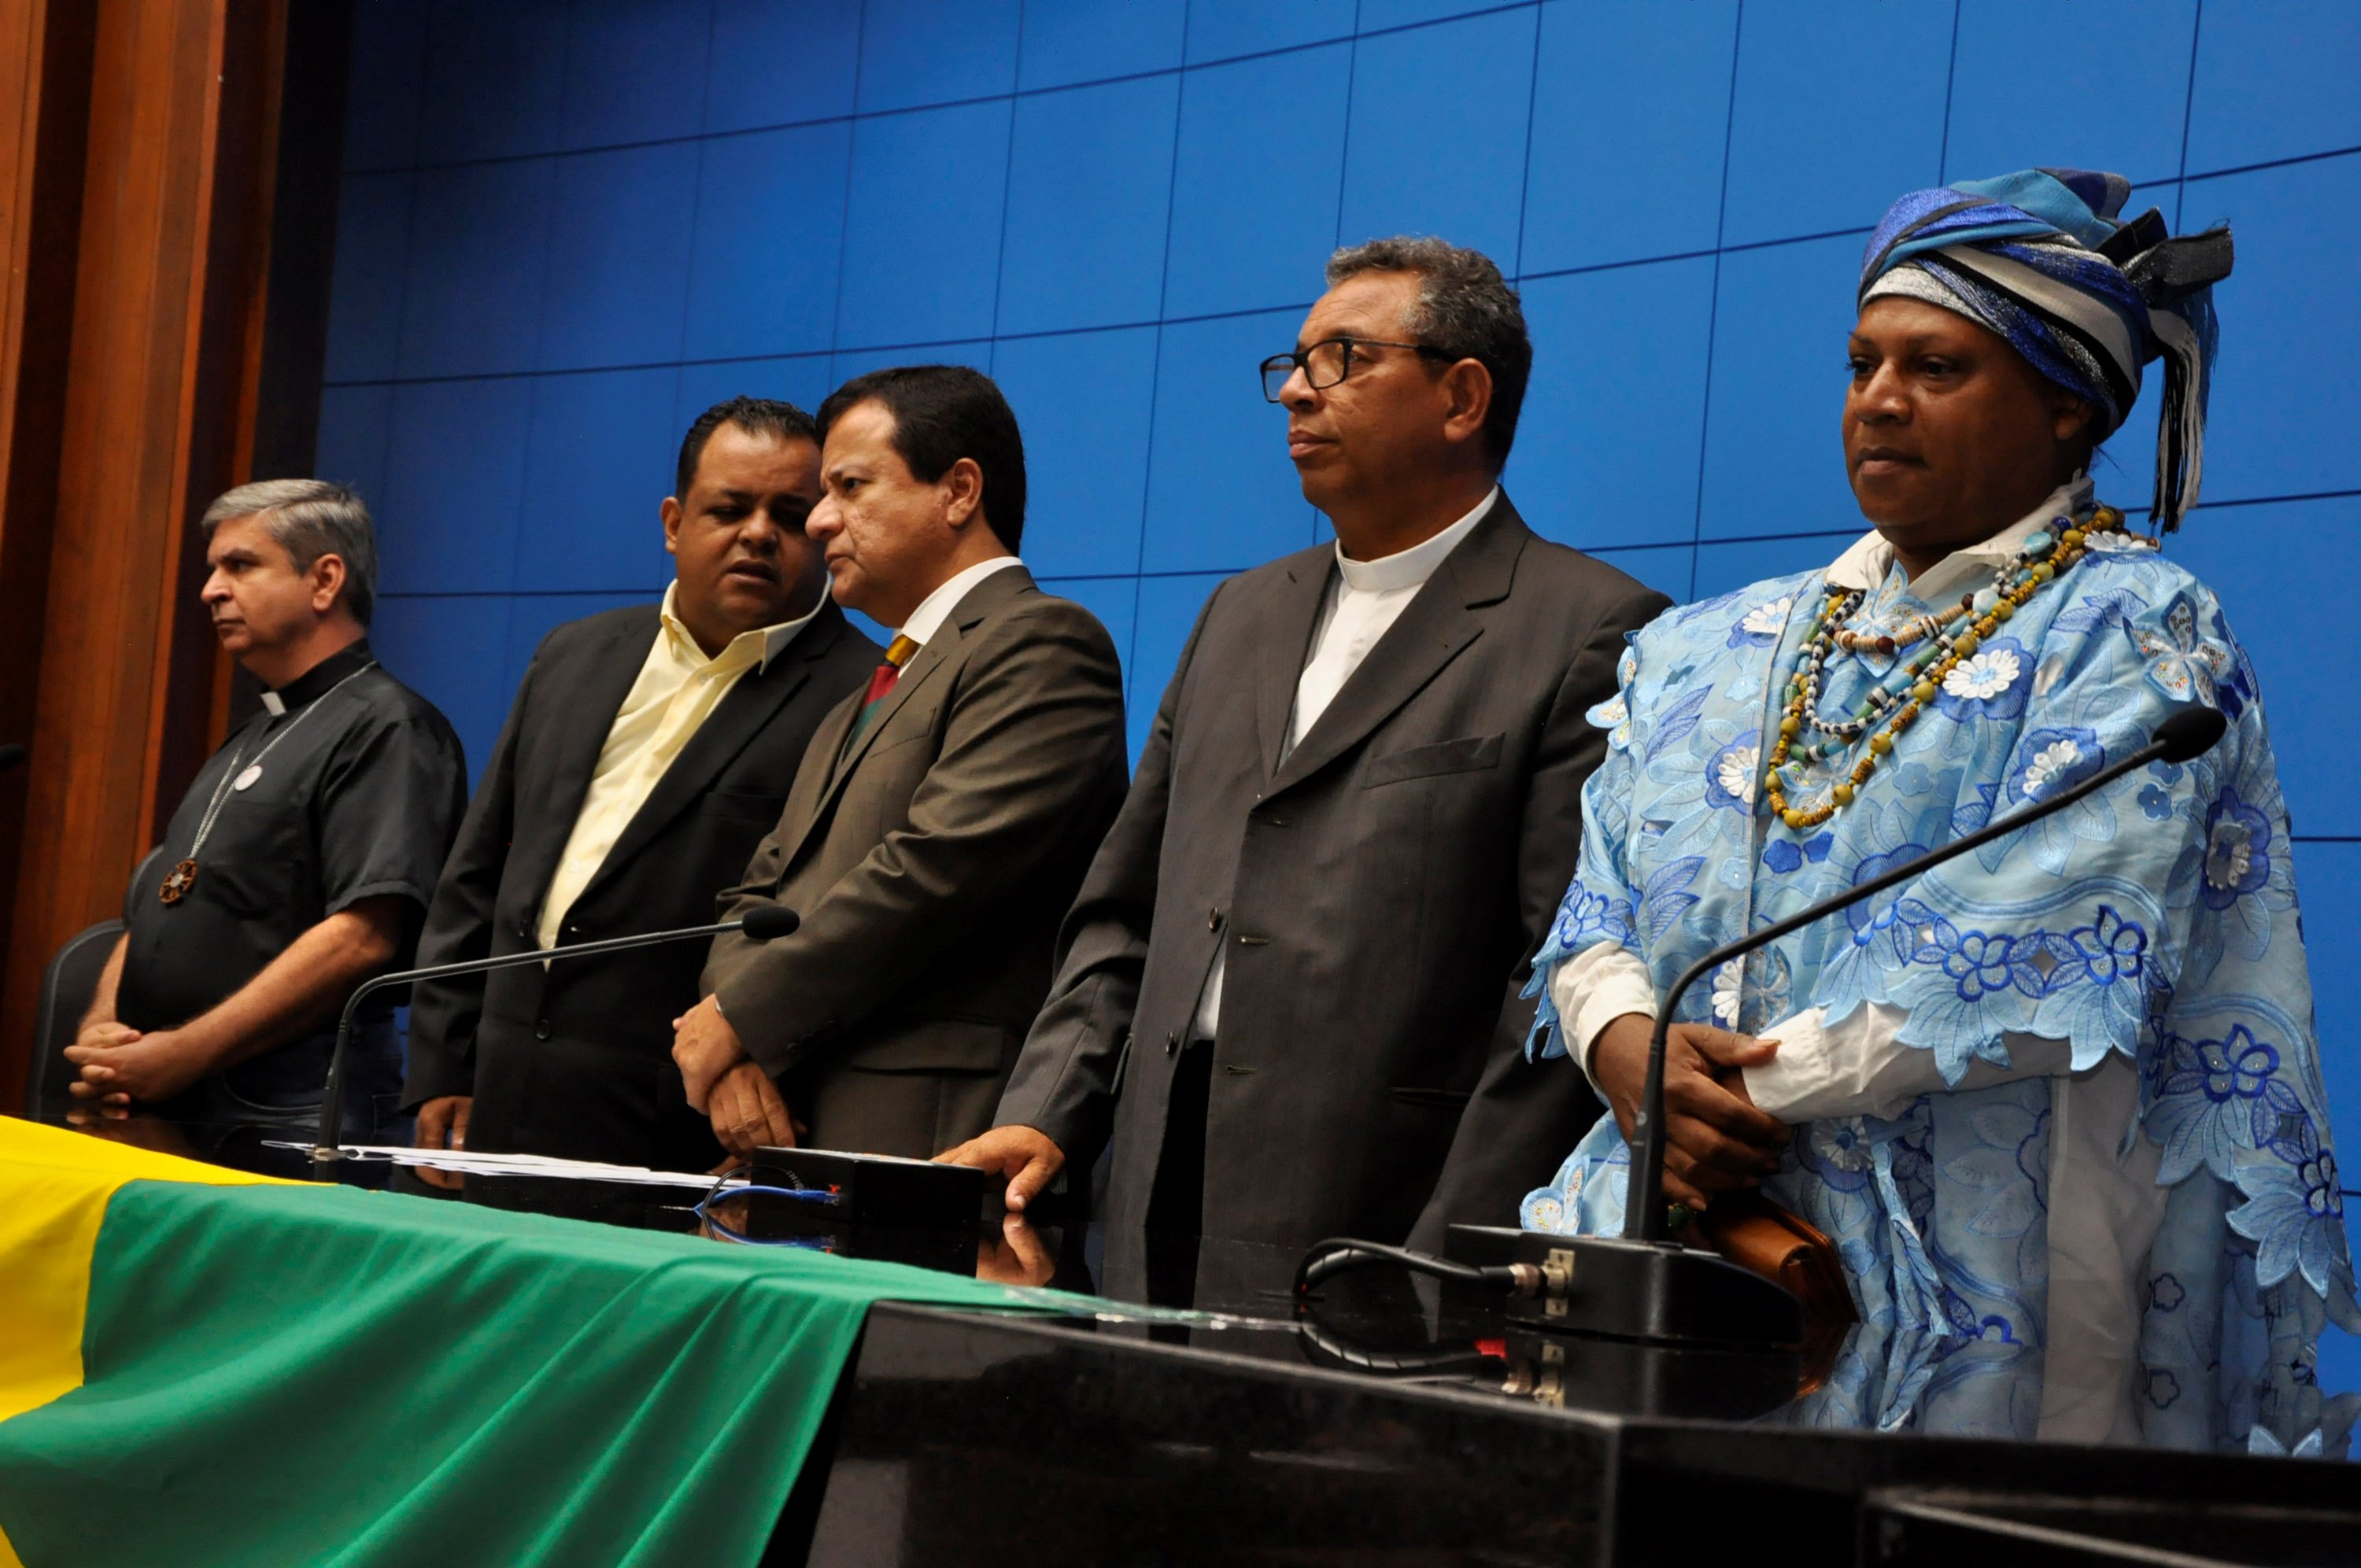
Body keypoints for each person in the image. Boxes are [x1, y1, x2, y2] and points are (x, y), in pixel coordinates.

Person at [1520, 169, 2356, 1450]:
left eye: (1938, 368)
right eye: (1863, 364)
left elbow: (2049, 943)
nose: (1880, 400)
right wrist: (1626, 1049)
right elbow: (1597, 908)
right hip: (1672, 1235)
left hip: (1980, 1267)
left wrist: (1715, 1097)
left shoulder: (2131, 627)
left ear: (2068, 405)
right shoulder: (1709, 645)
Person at [944, 238, 1670, 1263]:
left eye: (1342, 359)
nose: (1294, 390)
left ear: (1462, 398)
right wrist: (1047, 1110)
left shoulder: (1591, 628)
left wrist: (1445, 1261)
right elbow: (1127, 911)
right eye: (1292, 363)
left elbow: (1556, 982)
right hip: (1151, 1179)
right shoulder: (1236, 616)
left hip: (1380, 1214)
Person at [401, 398, 878, 1186]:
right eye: (729, 508)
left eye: (790, 516)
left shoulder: (864, 693)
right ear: (673, 523)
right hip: (491, 1098)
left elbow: (846, 936)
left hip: (681, 1132)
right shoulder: (573, 654)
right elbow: (478, 874)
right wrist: (443, 1063)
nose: (759, 533)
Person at [676, 366, 1129, 1160]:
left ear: (958, 491)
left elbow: (934, 872)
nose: (820, 519)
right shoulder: (867, 690)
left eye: (850, 487)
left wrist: (739, 1017)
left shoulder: (1043, 644)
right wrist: (735, 1051)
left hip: (930, 1133)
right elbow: (757, 896)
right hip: (798, 1128)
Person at [65, 480, 466, 1145]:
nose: (210, 590)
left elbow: (362, 935)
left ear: (325, 580)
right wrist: (101, 1032)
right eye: (213, 569)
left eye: (240, 565)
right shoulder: (254, 734)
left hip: (287, 1106)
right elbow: (161, 904)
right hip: (173, 1091)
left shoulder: (389, 726)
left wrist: (184, 1051)